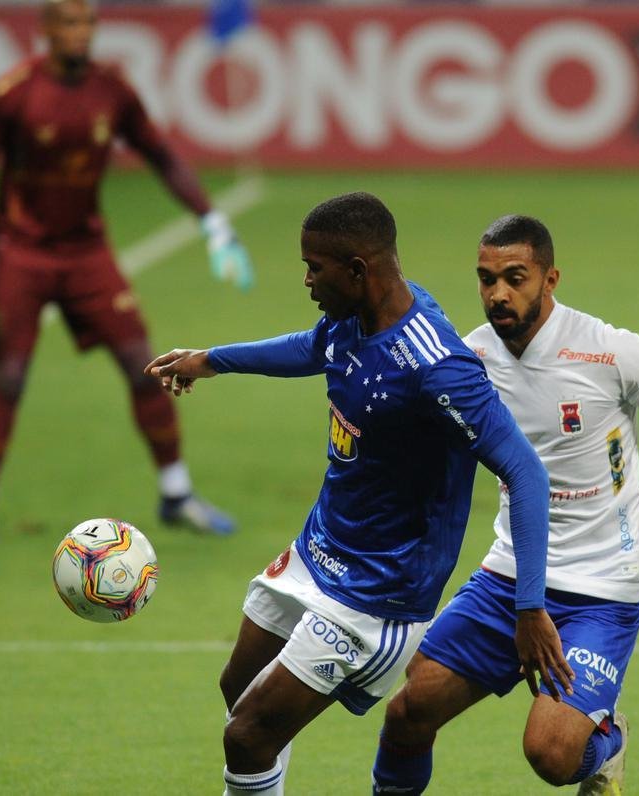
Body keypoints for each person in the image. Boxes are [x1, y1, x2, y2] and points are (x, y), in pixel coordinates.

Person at [144, 193, 574, 795]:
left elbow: (525, 473)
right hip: (317, 552)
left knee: (246, 735)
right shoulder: (356, 316)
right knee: (239, 693)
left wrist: (530, 608)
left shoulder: (438, 369)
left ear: (357, 271)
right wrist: (210, 361)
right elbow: (313, 347)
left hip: (376, 596)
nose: (306, 280)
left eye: (314, 268)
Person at [372, 215, 639, 795]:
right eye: (486, 279)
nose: (497, 293)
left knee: (552, 754)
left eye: (515, 277)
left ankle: (609, 744)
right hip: (510, 575)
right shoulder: (470, 358)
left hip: (602, 588)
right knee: (409, 713)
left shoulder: (611, 352)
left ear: (550, 279)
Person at [0, 0, 251, 545]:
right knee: (9, 376)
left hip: (87, 252)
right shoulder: (11, 95)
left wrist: (214, 222)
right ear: (46, 29)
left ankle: (177, 495)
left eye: (87, 23)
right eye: (68, 23)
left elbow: (161, 155)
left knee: (144, 365)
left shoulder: (112, 89)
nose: (80, 33)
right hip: (21, 252)